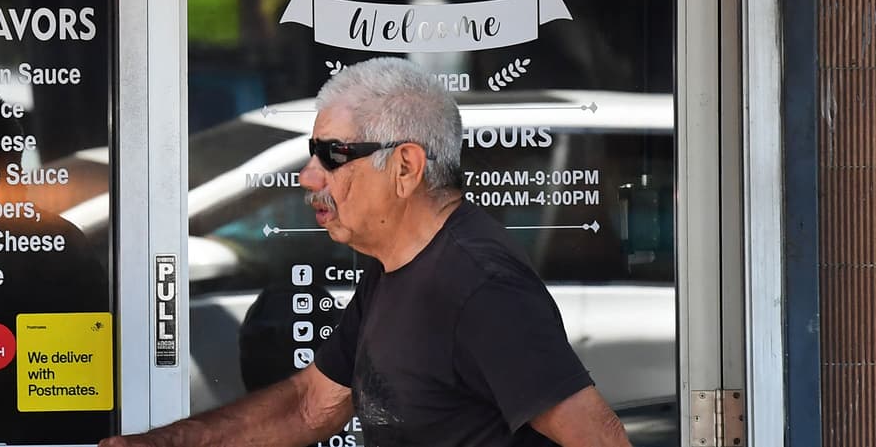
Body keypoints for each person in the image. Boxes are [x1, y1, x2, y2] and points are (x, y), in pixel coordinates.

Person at [99, 57, 632, 447]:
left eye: (332, 156)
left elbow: (599, 438)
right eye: (312, 155)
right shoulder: (393, 267)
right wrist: (166, 443)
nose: (309, 178)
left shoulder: (483, 287)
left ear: (406, 167)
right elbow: (311, 405)